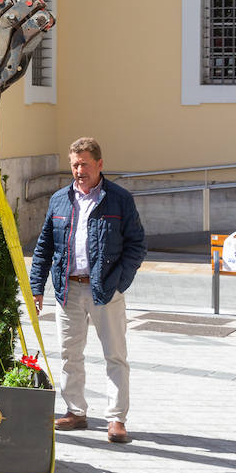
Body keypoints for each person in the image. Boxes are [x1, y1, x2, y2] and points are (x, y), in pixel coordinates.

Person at [29, 137, 147, 444]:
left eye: (84, 164)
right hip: (68, 290)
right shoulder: (59, 200)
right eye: (74, 164)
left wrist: (119, 282)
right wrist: (37, 287)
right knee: (70, 354)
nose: (79, 170)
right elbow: (44, 247)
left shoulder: (118, 199)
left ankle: (116, 419)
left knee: (115, 356)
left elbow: (137, 245)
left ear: (99, 164)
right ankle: (76, 411)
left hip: (106, 290)